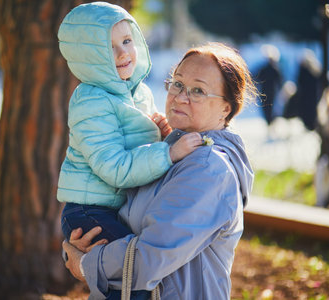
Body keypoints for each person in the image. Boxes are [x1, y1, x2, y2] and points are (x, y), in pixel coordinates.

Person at [63, 42, 257, 299]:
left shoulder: (209, 169)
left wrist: (85, 264)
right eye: (177, 83)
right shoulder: (170, 151)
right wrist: (84, 239)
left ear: (227, 108)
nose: (179, 96)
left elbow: (148, 259)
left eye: (198, 90)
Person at [57, 2, 199, 244]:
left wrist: (161, 135)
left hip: (121, 205)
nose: (123, 53)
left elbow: (140, 148)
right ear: (87, 58)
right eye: (107, 48)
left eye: (126, 41)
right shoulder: (91, 101)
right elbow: (114, 167)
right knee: (135, 263)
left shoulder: (138, 92)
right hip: (90, 211)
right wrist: (168, 153)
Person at [256, 44, 283, 125]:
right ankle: (270, 122)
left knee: (267, 108)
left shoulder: (265, 68)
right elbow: (280, 81)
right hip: (271, 91)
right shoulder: (274, 69)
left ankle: (270, 122)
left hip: (266, 91)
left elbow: (257, 78)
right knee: (269, 108)